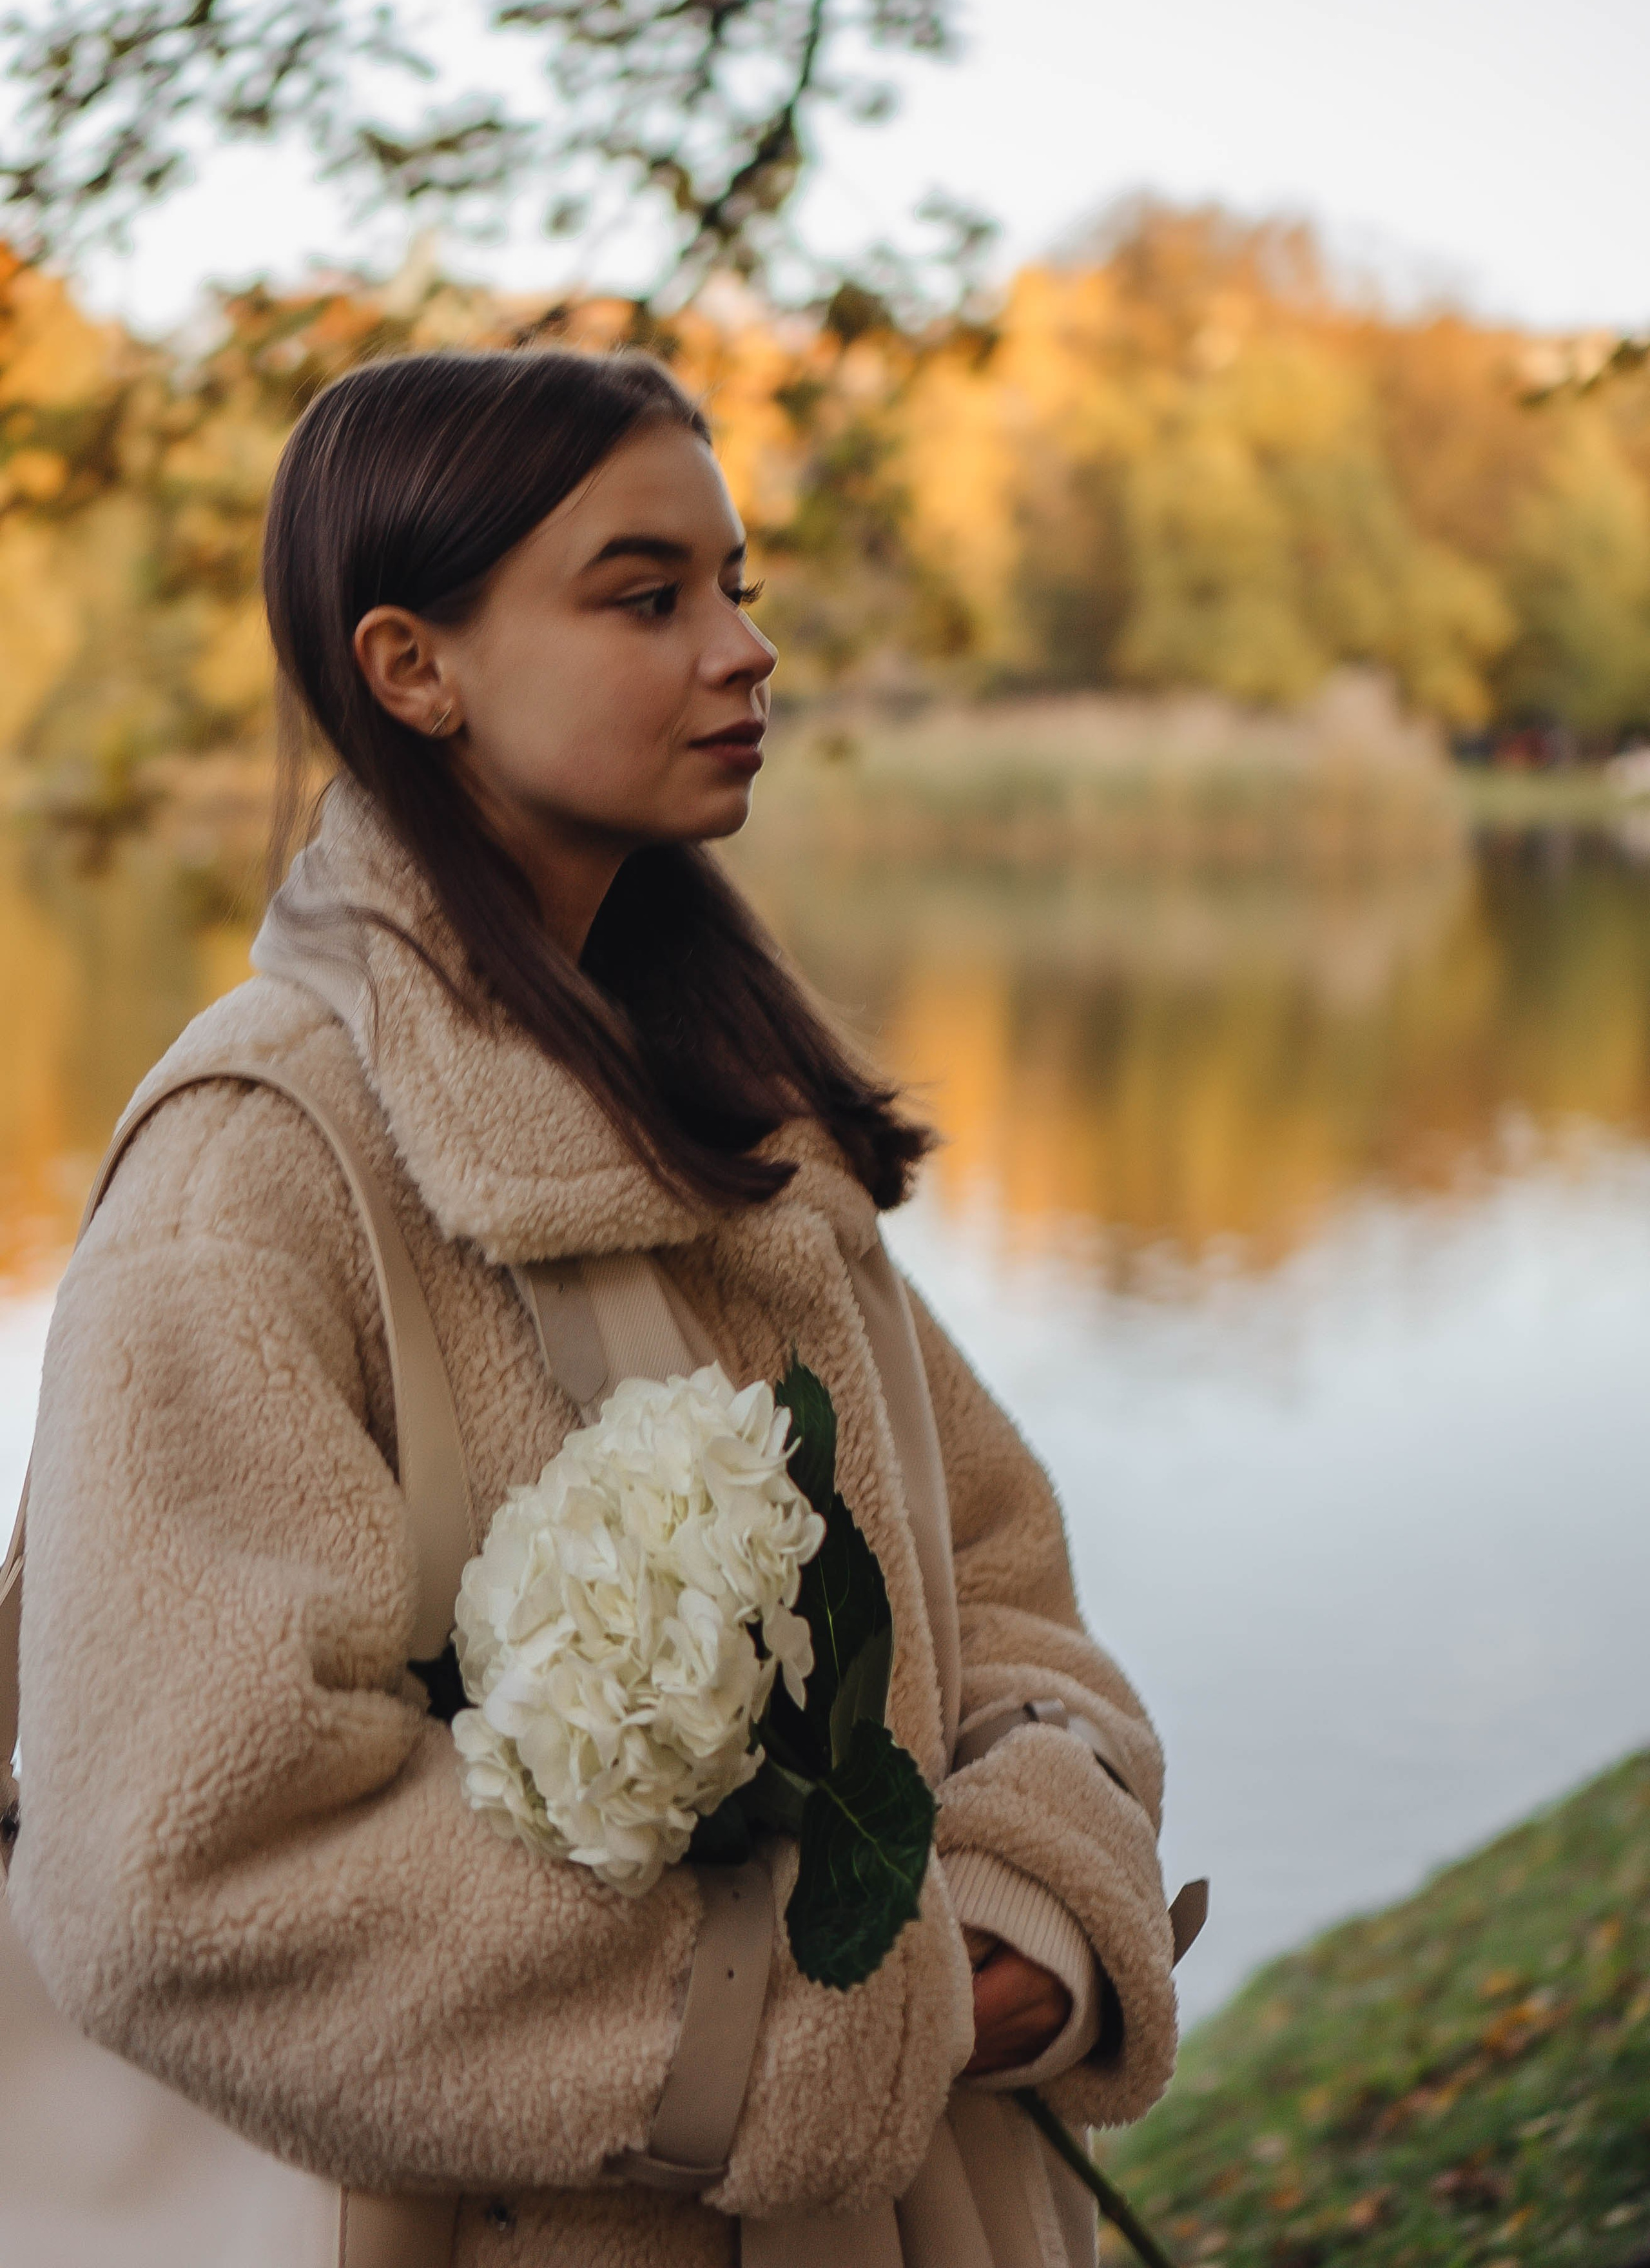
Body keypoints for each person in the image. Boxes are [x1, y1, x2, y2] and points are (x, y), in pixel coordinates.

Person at [11, 347, 1179, 2267]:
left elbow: (1001, 1589)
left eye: (741, 588)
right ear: (414, 666)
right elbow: (184, 1870)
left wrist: (1031, 1909)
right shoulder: (256, 1166)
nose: (743, 651)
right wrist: (801, 2033)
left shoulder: (741, 1115)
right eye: (648, 597)